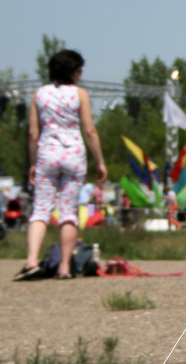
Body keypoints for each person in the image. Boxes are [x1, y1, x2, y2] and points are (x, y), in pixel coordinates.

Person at [14, 49, 107, 282]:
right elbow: (90, 131)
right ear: (73, 72)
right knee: (68, 213)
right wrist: (100, 161)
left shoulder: (39, 94)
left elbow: (33, 132)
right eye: (79, 69)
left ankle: (31, 261)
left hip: (47, 154)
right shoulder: (80, 94)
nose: (81, 73)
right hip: (74, 156)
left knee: (40, 210)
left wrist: (33, 163)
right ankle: (65, 267)